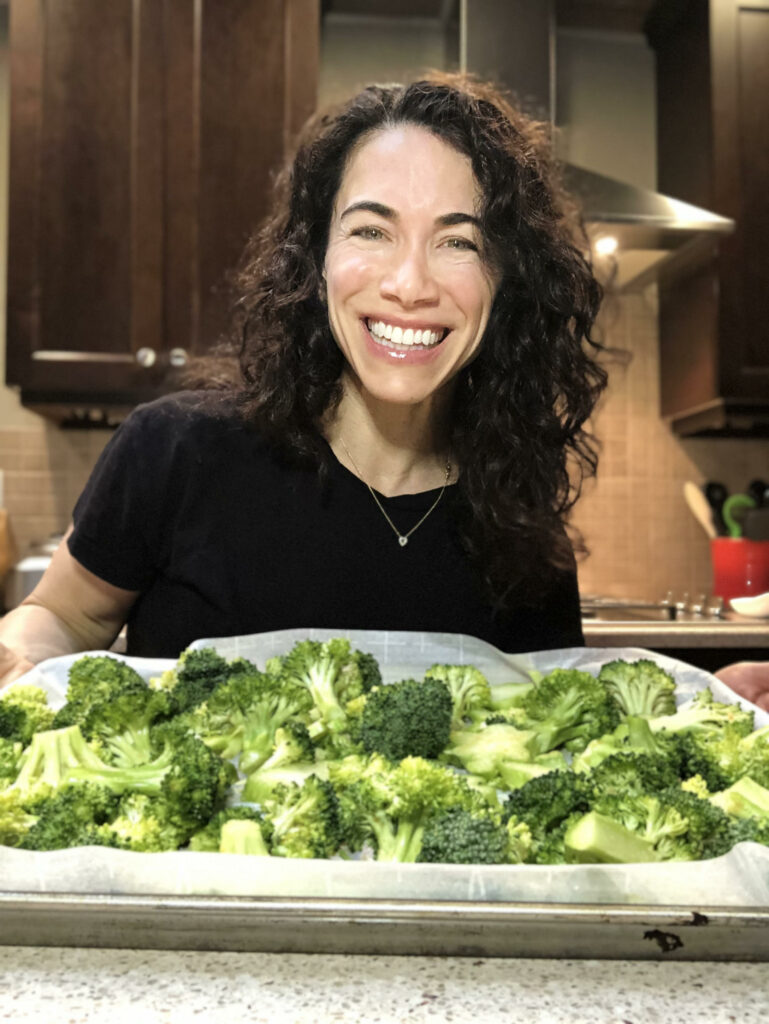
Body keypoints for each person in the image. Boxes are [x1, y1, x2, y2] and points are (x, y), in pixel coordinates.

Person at [0, 73, 611, 687]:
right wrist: (17, 651)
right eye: (372, 230)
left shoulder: (519, 516)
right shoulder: (174, 452)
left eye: (459, 241)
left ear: (506, 282)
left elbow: (548, 730)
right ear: (316, 257)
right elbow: (60, 616)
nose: (409, 284)